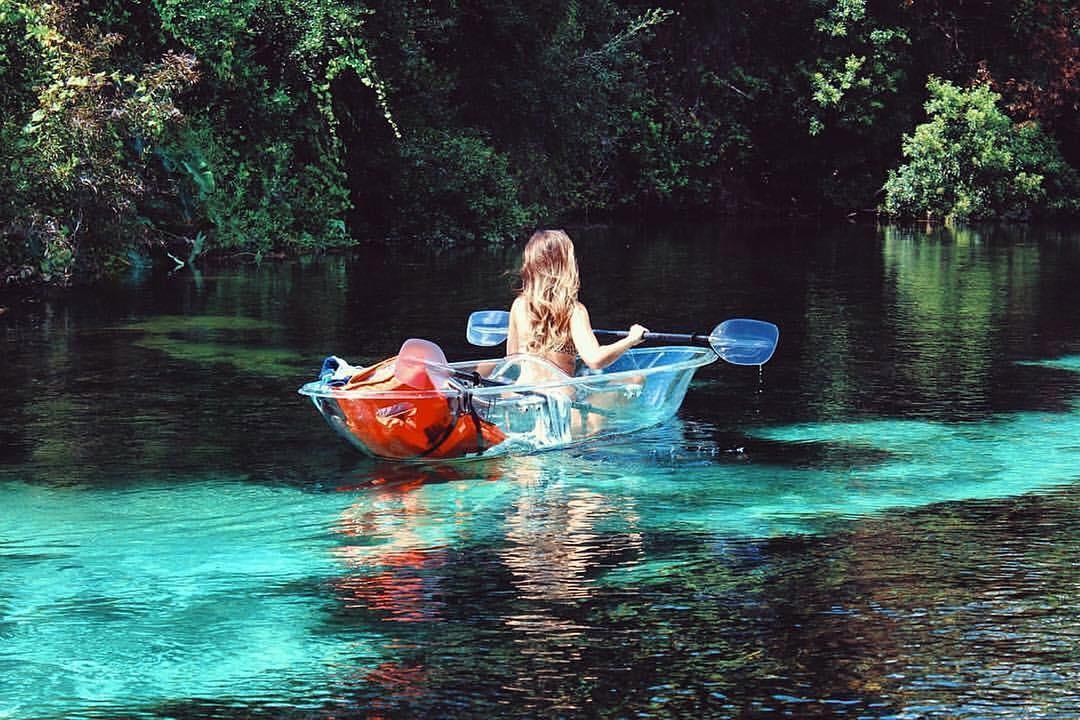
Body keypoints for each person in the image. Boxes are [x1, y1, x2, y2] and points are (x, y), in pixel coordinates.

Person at [506, 229, 648, 376]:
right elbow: (595, 360)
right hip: (558, 397)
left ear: (531, 263)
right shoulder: (574, 311)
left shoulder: (519, 305)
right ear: (567, 265)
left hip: (523, 393)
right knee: (636, 379)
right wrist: (631, 339)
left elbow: (512, 358)